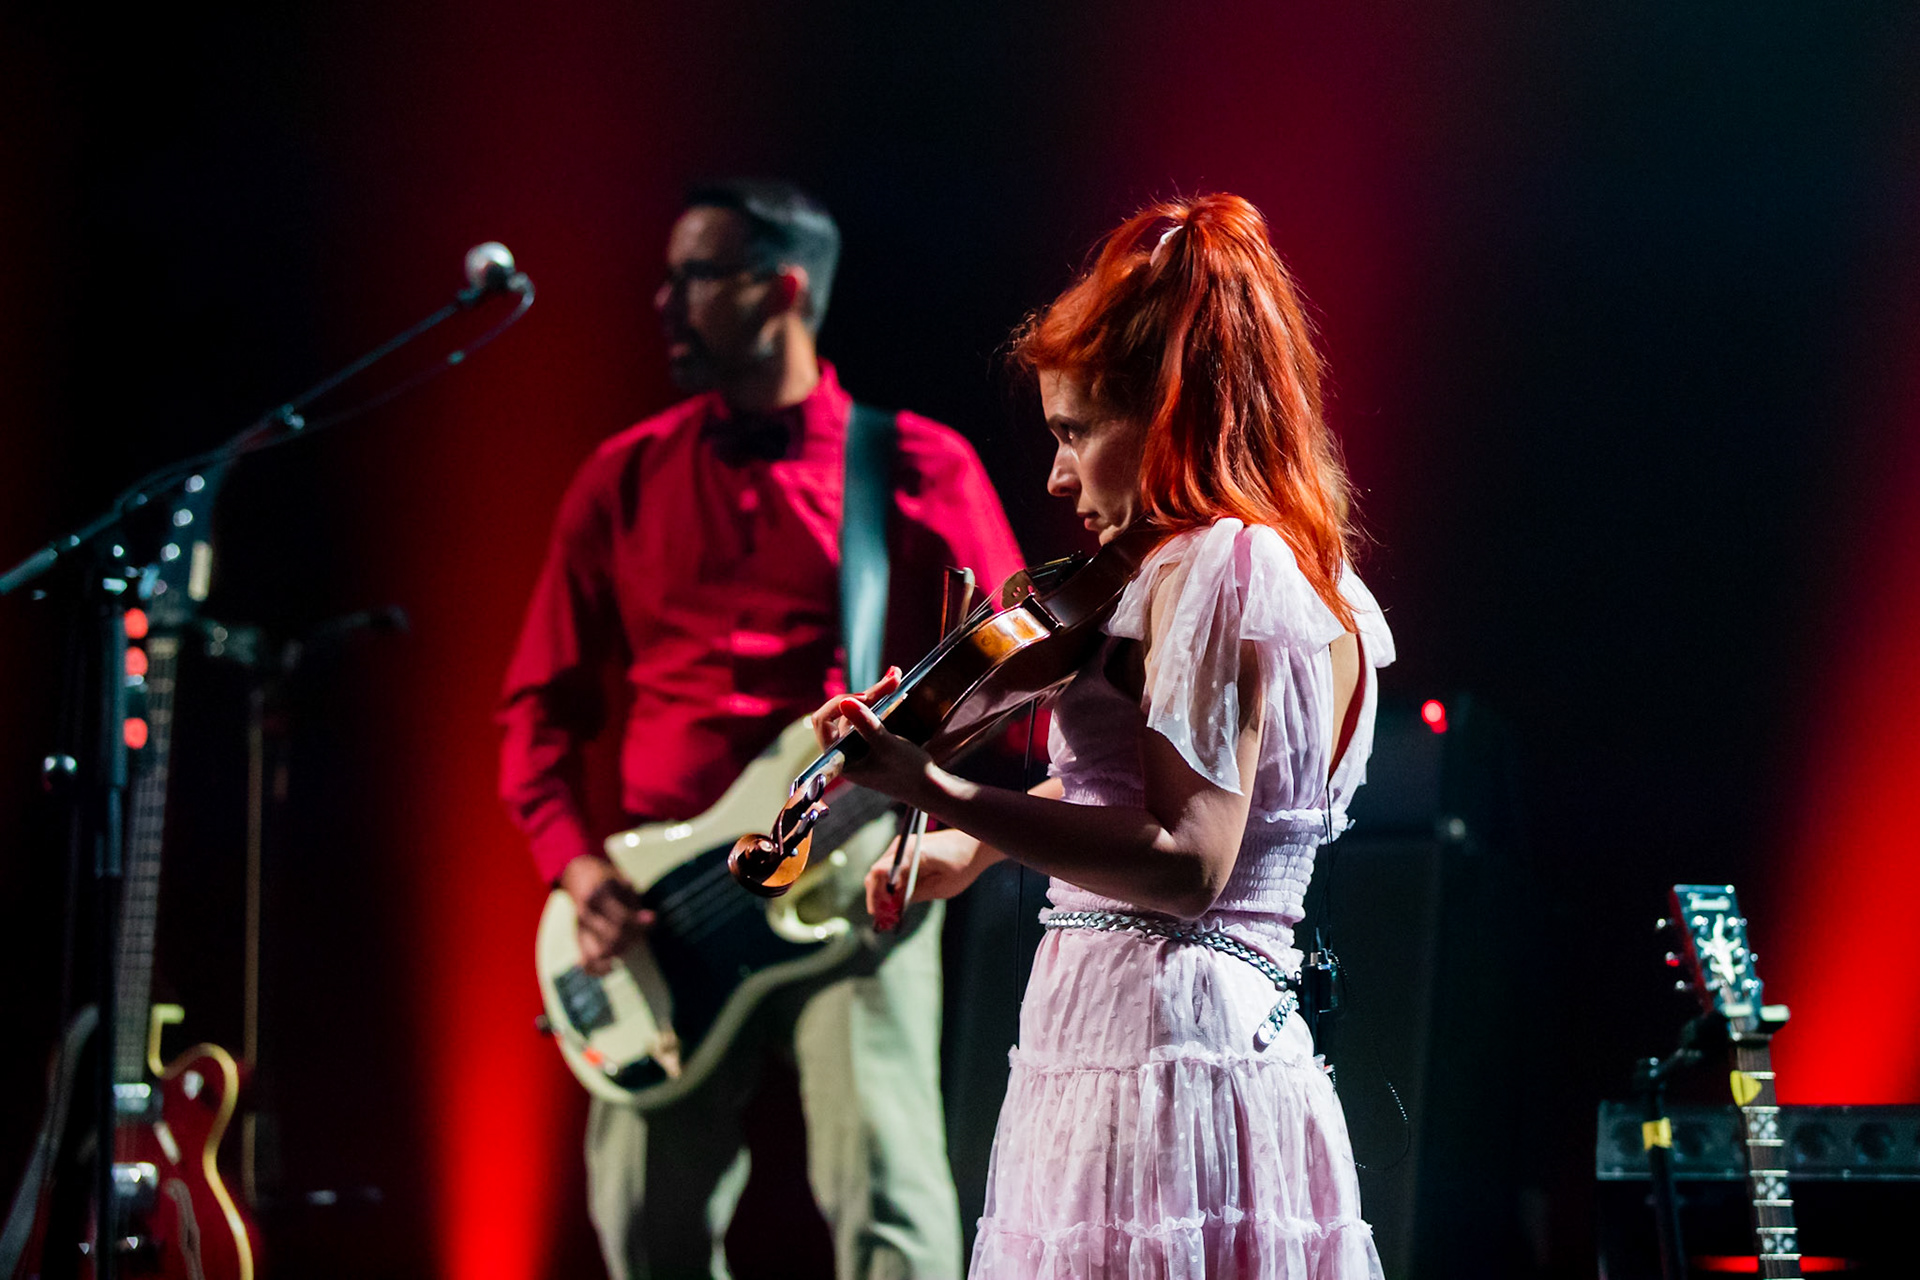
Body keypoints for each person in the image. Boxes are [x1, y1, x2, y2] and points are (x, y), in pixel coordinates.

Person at [812, 193, 1393, 1279]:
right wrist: (964, 847)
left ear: (1171, 411)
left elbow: (1188, 864)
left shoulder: (1223, 568)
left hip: (1165, 1051)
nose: (1056, 476)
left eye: (1076, 432)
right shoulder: (1292, 579)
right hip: (1156, 1043)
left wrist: (936, 785)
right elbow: (1132, 801)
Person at [499, 178, 1024, 1280]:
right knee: (644, 1224)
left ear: (781, 288)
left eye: (694, 275)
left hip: (857, 880)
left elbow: (1021, 678)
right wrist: (576, 869)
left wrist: (948, 819)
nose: (663, 300)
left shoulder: (919, 465)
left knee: (893, 1211)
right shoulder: (621, 477)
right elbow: (536, 708)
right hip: (660, 912)